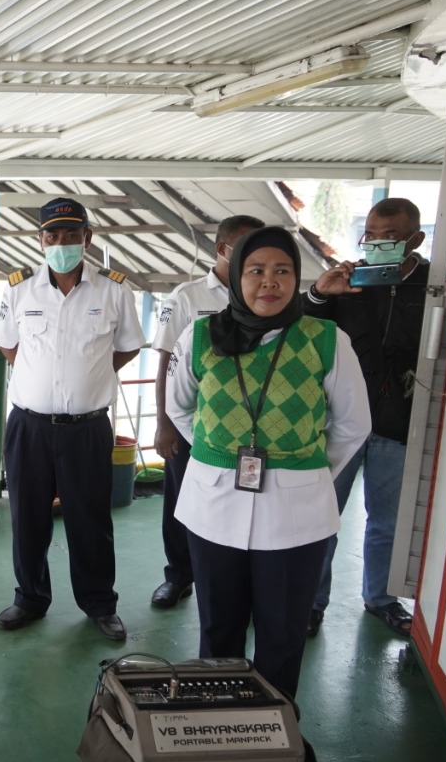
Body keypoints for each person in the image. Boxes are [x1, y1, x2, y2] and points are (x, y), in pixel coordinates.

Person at [165, 226, 369, 697]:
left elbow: (352, 424)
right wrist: (215, 452)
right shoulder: (199, 336)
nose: (269, 282)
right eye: (255, 271)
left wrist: (308, 472)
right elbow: (178, 405)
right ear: (236, 276)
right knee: (218, 632)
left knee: (282, 636)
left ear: (297, 278)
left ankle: (275, 742)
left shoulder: (326, 339)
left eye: (282, 271)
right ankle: (219, 729)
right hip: (212, 510)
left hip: (295, 517)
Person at [0, 197, 144, 641]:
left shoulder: (113, 290)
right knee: (27, 516)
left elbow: (128, 346)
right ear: (41, 240)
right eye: (52, 236)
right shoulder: (19, 290)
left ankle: (99, 603)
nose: (61, 244)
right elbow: (7, 345)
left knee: (90, 519)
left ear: (87, 238)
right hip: (29, 426)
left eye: (71, 235)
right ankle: (30, 599)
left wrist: (90, 374)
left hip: (88, 428)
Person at [305, 197, 429, 637]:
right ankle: (312, 602)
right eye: (371, 234)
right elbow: (302, 328)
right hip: (341, 422)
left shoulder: (435, 289)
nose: (377, 243)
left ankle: (381, 598)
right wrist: (321, 293)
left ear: (415, 239)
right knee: (324, 517)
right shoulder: (350, 280)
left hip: (399, 424)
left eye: (390, 236)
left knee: (387, 520)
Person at [150, 215, 266, 609]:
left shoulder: (266, 295)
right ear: (223, 250)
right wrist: (164, 423)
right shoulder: (187, 296)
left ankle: (243, 583)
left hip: (252, 429)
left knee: (245, 503)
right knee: (183, 501)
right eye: (247, 248)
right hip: (192, 424)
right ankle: (179, 577)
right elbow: (165, 362)